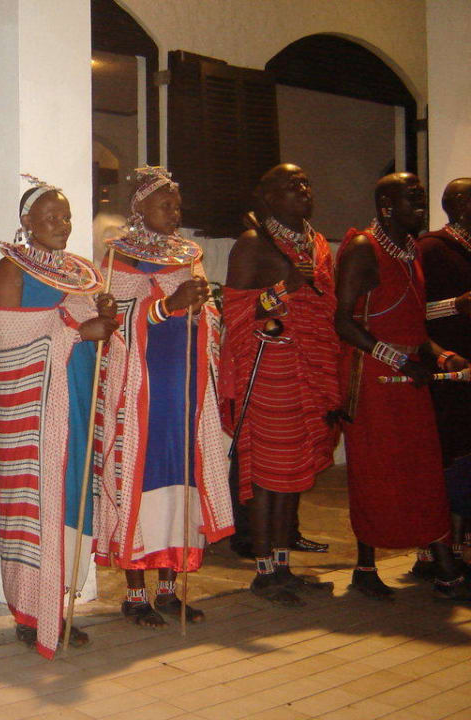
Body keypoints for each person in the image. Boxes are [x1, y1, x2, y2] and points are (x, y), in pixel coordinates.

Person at [0, 176, 123, 658]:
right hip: (32, 411)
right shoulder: (10, 270)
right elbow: (9, 350)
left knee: (72, 499)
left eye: (65, 216)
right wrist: (79, 331)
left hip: (78, 399)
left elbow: (92, 331)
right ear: (27, 222)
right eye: (50, 217)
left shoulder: (82, 272)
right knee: (36, 503)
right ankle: (29, 611)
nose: (61, 225)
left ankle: (60, 603)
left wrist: (105, 320)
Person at [99, 167, 232, 626]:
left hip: (184, 384)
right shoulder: (119, 257)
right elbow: (114, 321)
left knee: (182, 473)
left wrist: (204, 308)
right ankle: (135, 593)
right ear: (139, 207)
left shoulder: (188, 253)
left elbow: (206, 310)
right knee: (141, 476)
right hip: (142, 387)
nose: (175, 213)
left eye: (177, 205)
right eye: (165, 204)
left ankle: (170, 587)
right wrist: (167, 306)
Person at [335, 172, 471, 601]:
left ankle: (440, 558)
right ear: (385, 207)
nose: (420, 205)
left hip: (410, 375)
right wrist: (398, 360)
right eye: (411, 198)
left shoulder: (411, 249)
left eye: (421, 197)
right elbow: (342, 321)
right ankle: (364, 566)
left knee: (423, 469)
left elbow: (413, 325)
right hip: (372, 376)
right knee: (375, 470)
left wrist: (437, 355)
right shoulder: (362, 248)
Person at [222, 163, 340, 606]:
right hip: (271, 371)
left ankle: (286, 565)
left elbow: (327, 309)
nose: (302, 190)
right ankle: (265, 570)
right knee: (270, 478)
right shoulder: (253, 244)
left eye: (306, 182)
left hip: (312, 372)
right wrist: (283, 290)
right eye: (290, 186)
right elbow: (234, 314)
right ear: (267, 198)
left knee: (297, 474)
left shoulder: (318, 245)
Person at [416, 178, 471, 577]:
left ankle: (464, 547)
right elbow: (412, 315)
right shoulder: (431, 248)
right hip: (446, 366)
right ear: (460, 205)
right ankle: (436, 552)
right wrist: (457, 305)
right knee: (447, 457)